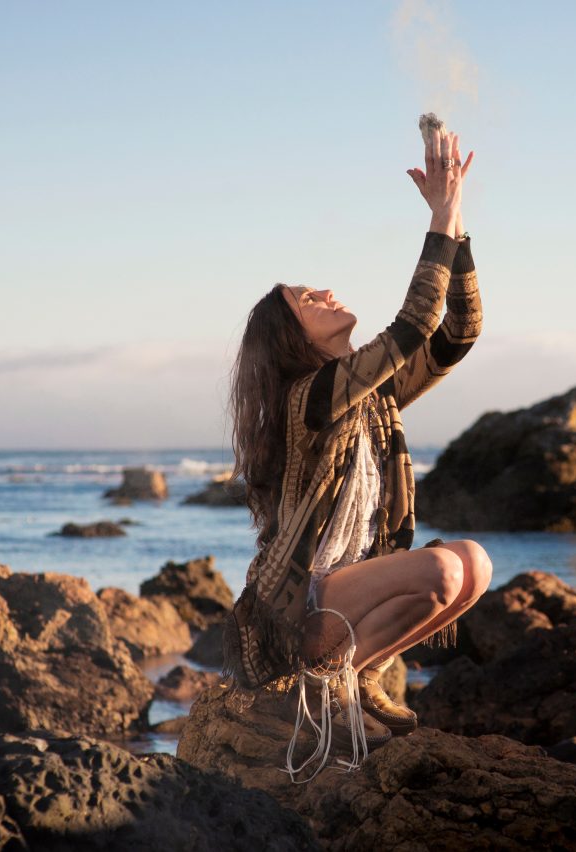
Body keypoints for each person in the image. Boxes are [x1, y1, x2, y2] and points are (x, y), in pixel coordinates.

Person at [222, 127, 493, 783]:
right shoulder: (307, 398)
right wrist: (441, 217)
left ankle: (356, 676)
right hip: (294, 617)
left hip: (345, 602)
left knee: (473, 565)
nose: (325, 293)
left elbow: (456, 333)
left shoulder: (372, 397)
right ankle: (325, 690)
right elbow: (412, 326)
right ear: (291, 338)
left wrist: (456, 230)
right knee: (443, 572)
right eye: (305, 300)